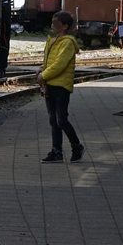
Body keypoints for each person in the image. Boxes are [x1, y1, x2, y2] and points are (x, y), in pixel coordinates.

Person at [38, 11, 84, 163]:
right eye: (52, 21)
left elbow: (60, 64)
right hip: (50, 85)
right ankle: (56, 151)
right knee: (53, 120)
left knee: (61, 120)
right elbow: (51, 62)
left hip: (61, 87)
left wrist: (44, 75)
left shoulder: (67, 43)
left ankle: (76, 146)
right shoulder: (53, 41)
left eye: (56, 23)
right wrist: (41, 68)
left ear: (65, 26)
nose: (52, 24)